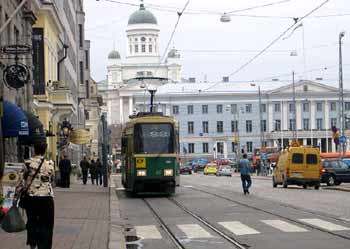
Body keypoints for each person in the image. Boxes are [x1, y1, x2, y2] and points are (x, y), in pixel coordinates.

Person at [14, 143, 55, 249]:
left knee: (32, 221)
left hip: (31, 197)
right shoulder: (50, 163)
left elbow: (20, 181)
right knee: (46, 224)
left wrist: (16, 196)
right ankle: (44, 246)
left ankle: (32, 244)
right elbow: (52, 178)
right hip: (47, 197)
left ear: (34, 149)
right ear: (45, 150)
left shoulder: (27, 163)